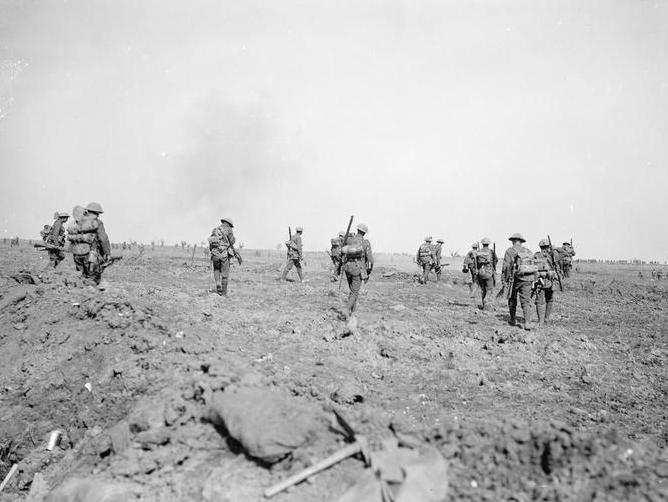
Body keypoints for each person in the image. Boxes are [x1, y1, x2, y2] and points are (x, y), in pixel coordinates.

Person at [67, 202, 111, 284]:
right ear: (97, 213)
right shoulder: (97, 222)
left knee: (82, 276)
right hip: (91, 253)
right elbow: (103, 239)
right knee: (93, 277)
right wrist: (107, 253)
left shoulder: (77, 222)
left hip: (76, 253)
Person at [502, 233, 536, 330]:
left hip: (515, 279)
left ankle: (513, 320)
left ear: (512, 241)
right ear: (521, 241)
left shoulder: (509, 251)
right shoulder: (528, 251)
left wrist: (504, 279)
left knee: (512, 298)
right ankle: (527, 323)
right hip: (528, 278)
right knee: (526, 301)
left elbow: (506, 267)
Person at [340, 224, 373, 319]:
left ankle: (352, 312)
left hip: (347, 268)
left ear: (357, 230)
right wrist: (369, 271)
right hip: (357, 269)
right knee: (355, 292)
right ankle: (346, 310)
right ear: (364, 233)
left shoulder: (349, 239)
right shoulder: (365, 242)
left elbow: (342, 251)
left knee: (353, 290)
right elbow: (370, 259)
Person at [208, 217, 239, 296]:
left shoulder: (215, 229)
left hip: (215, 254)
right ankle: (224, 294)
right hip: (224, 254)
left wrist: (212, 252)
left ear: (223, 222)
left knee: (216, 269)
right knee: (225, 275)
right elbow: (232, 241)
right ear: (229, 224)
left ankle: (218, 283)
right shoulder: (229, 230)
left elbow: (211, 242)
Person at [533, 239, 559, 326]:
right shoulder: (552, 256)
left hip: (543, 281)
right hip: (546, 281)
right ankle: (544, 320)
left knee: (541, 301)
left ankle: (542, 320)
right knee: (548, 300)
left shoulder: (537, 255)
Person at [474, 238, 497, 309]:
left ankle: (484, 304)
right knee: (489, 289)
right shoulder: (491, 251)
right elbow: (496, 260)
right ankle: (487, 306)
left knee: (483, 289)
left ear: (482, 244)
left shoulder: (478, 251)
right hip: (489, 273)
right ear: (488, 244)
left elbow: (476, 262)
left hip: (480, 273)